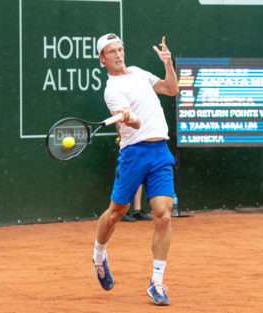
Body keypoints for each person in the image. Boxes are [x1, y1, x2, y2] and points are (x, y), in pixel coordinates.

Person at [92, 33, 178, 306]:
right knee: (117, 213)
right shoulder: (112, 90)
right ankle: (99, 256)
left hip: (160, 152)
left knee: (163, 216)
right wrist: (129, 117)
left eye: (120, 49)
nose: (118, 55)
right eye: (111, 51)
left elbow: (170, 89)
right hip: (134, 154)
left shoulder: (140, 73)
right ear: (102, 59)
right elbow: (136, 125)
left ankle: (156, 282)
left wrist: (168, 64)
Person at [114, 137, 153, 222]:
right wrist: (122, 138)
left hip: (140, 145)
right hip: (128, 146)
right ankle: (122, 212)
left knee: (139, 177)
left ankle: (137, 211)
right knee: (126, 178)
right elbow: (118, 125)